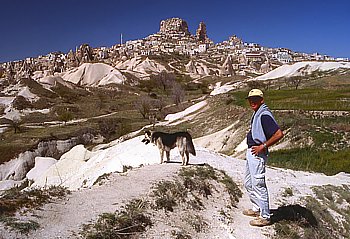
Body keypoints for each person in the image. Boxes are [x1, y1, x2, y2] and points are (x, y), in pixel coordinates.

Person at [243, 89, 284, 227]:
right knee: (248, 182)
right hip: (252, 152)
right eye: (250, 99)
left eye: (255, 99)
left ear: (262, 100)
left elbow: (278, 134)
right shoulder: (257, 113)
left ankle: (265, 216)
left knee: (259, 184)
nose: (252, 102)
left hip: (257, 154)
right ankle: (257, 208)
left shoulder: (264, 115)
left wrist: (263, 146)